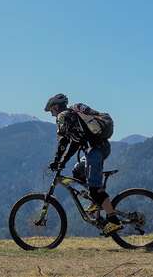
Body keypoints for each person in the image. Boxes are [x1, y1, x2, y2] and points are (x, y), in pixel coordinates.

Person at [44, 93, 123, 235]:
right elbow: (75, 142)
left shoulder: (64, 117)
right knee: (77, 172)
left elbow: (64, 142)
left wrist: (58, 161)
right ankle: (96, 201)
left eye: (51, 111)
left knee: (94, 189)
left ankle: (114, 221)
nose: (51, 115)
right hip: (96, 149)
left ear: (56, 107)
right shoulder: (73, 117)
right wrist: (62, 162)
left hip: (95, 151)